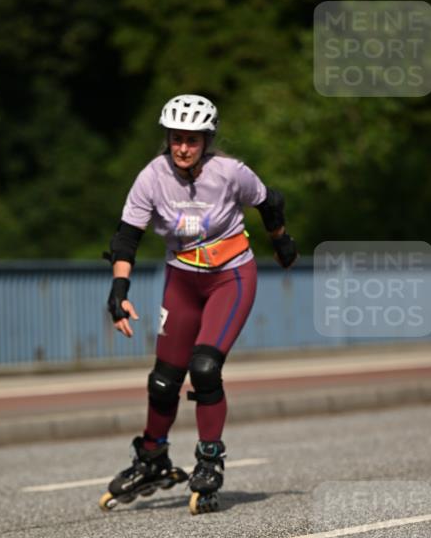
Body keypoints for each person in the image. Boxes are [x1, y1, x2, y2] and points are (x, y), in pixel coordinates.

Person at [101, 94, 297, 514]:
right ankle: (152, 457)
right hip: (183, 281)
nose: (182, 147)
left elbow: (269, 201)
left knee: (205, 367)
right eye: (176, 139)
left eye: (191, 139)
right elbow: (126, 237)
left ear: (206, 140)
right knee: (162, 380)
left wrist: (280, 241)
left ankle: (209, 459)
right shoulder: (151, 177)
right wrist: (119, 292)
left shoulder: (231, 174)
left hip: (231, 277)